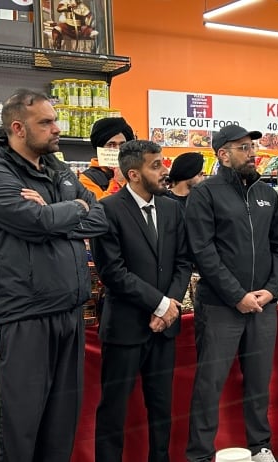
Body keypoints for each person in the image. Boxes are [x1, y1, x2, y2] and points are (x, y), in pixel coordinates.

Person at [0, 89, 108, 462]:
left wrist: (58, 212)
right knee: (16, 435)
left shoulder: (57, 169)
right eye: (45, 122)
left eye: (55, 119)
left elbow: (98, 217)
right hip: (22, 316)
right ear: (18, 127)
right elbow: (35, 220)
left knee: (59, 433)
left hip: (69, 313)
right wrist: (68, 210)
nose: (56, 128)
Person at [185, 125, 278, 462]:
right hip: (219, 307)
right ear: (223, 154)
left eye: (252, 146)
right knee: (209, 386)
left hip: (262, 306)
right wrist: (236, 295)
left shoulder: (267, 195)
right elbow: (203, 252)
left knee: (259, 384)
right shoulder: (205, 194)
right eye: (243, 147)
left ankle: (260, 447)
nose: (251, 152)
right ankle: (200, 455)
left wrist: (271, 291)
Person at [91, 139, 192, 462]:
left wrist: (170, 307)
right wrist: (160, 305)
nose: (164, 171)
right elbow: (113, 272)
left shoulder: (172, 208)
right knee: (114, 409)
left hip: (164, 330)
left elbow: (183, 261)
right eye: (156, 165)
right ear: (133, 174)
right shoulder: (108, 210)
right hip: (125, 328)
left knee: (161, 408)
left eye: (162, 163)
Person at [80, 117, 135, 199]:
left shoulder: (135, 171)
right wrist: (117, 182)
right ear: (100, 148)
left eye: (122, 145)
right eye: (111, 145)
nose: (117, 150)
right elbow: (99, 209)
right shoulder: (88, 179)